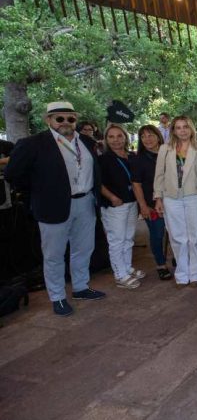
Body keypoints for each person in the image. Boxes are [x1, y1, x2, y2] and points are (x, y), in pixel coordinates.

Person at [4, 101, 105, 316]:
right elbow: (13, 174)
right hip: (52, 206)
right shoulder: (33, 143)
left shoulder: (86, 142)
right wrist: (39, 192)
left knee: (83, 249)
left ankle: (80, 287)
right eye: (60, 118)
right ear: (48, 120)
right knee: (54, 255)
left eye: (71, 118)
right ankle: (57, 297)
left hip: (85, 202)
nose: (66, 122)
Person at [153, 116, 197, 288]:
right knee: (177, 237)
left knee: (195, 236)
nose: (182, 130)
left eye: (185, 127)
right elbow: (159, 175)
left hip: (195, 195)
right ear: (173, 130)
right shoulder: (165, 149)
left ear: (191, 129)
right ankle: (182, 274)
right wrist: (158, 198)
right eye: (178, 127)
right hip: (171, 197)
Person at [99, 124, 144, 289]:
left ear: (125, 137)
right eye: (111, 137)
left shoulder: (131, 156)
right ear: (106, 139)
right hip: (114, 205)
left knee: (128, 238)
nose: (115, 140)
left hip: (131, 202)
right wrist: (111, 197)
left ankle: (127, 267)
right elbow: (97, 183)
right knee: (116, 240)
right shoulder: (103, 159)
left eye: (119, 136)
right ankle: (120, 275)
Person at [132, 125, 172, 281]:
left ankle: (177, 258)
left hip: (172, 201)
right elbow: (136, 184)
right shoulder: (139, 159)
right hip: (151, 204)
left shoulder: (169, 153)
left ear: (158, 136)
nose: (147, 139)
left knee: (175, 233)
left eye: (150, 135)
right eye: (143, 136)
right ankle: (161, 265)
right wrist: (143, 206)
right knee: (157, 235)